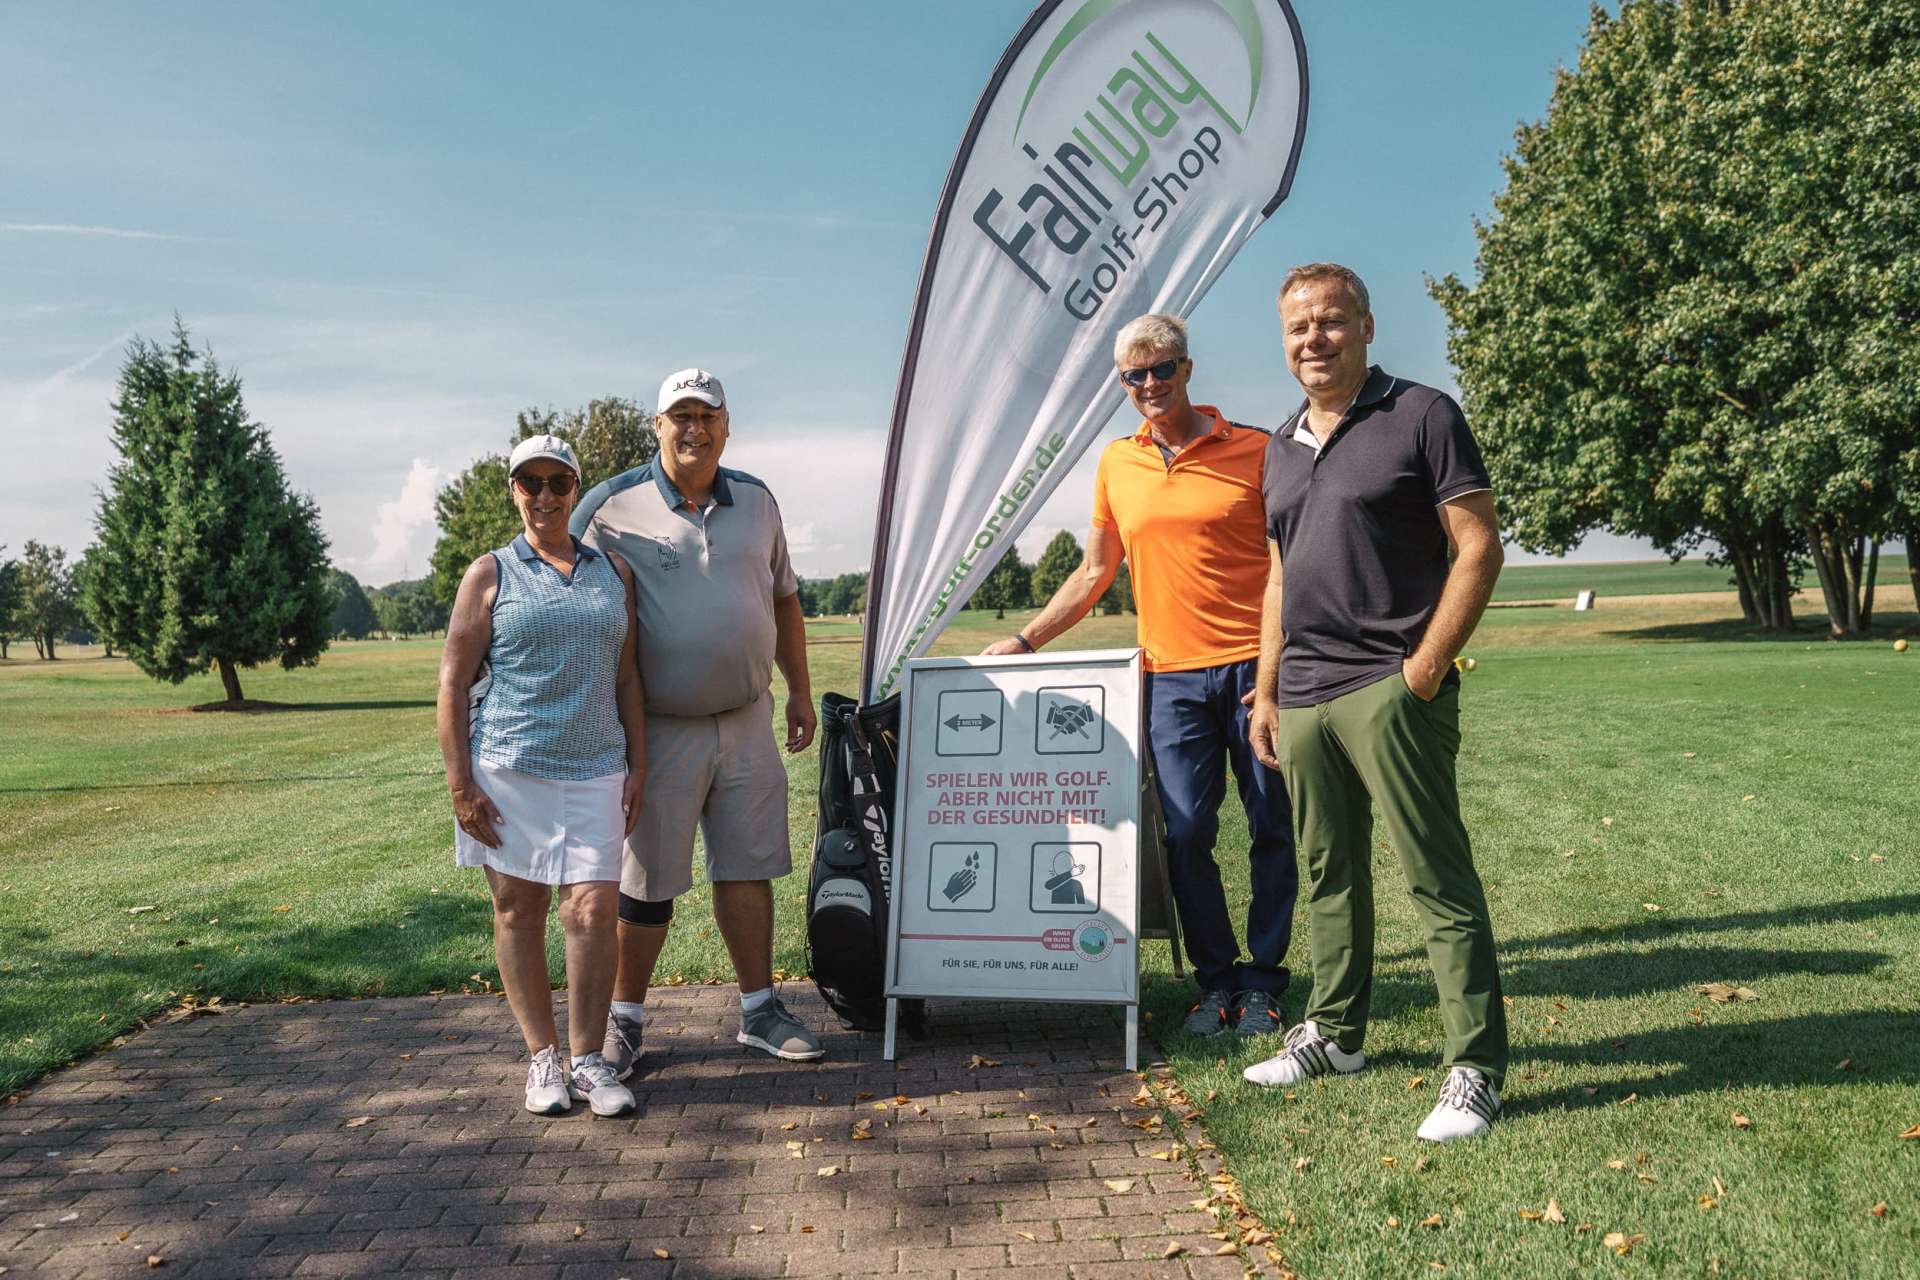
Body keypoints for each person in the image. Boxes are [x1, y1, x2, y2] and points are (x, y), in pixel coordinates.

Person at [1245, 263, 1509, 1142]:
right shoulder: (1279, 446)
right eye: (1298, 327)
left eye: (1329, 321)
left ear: (1364, 326)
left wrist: (1424, 668)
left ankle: (1475, 1068)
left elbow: (1478, 544)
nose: (1313, 339)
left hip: (1390, 687)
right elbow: (1280, 575)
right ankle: (1335, 1034)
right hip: (1305, 693)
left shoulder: (1422, 413)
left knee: (1437, 878)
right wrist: (1267, 690)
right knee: (1328, 873)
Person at [983, 315, 1299, 1037]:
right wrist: (1027, 640)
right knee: (1184, 834)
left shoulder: (1258, 449)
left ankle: (1263, 982)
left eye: (1162, 369)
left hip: (1256, 669)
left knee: (1272, 825)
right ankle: (1215, 983)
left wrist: (1282, 669)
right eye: (1135, 375)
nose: (1150, 384)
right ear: (1122, 383)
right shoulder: (1116, 463)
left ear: (1188, 368)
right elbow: (1095, 571)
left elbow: (1294, 563)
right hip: (1170, 680)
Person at [570, 368, 822, 1070]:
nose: (694, 429)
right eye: (680, 416)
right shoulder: (610, 505)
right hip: (658, 727)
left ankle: (759, 1011)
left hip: (746, 717)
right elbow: (560, 587)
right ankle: (623, 1019)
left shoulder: (758, 501)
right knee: (645, 882)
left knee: (748, 864)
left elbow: (784, 600)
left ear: (726, 426)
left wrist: (799, 691)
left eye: (707, 416)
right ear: (658, 426)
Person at [437, 434, 646, 1118]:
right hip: (509, 770)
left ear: (575, 489)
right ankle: (542, 1058)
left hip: (597, 768)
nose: (546, 496)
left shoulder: (613, 572)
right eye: (531, 483)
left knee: (592, 911)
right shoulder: (489, 573)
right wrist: (461, 784)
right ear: (514, 491)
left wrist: (638, 764)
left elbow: (627, 676)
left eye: (559, 483)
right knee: (517, 911)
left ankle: (588, 1060)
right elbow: (452, 681)